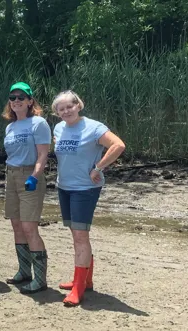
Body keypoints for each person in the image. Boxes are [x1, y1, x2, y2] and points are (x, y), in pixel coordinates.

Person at [52, 90, 125, 306]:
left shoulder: (93, 127)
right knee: (77, 234)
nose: (66, 111)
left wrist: (98, 167)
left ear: (78, 105)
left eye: (69, 106)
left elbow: (118, 145)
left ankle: (78, 288)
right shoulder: (58, 128)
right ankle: (85, 279)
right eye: (61, 109)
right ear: (57, 113)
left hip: (85, 188)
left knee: (80, 237)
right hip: (63, 186)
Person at [2, 82, 51, 293]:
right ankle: (24, 271)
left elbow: (43, 154)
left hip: (29, 176)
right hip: (11, 176)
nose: (16, 101)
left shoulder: (38, 123)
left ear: (30, 101)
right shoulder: (10, 127)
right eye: (12, 97)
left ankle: (40, 279)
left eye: (21, 97)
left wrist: (34, 176)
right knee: (16, 226)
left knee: (30, 227)